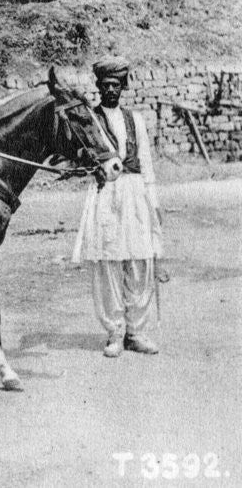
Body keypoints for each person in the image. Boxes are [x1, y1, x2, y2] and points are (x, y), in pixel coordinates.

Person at [72, 57, 166, 357]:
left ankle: (135, 331)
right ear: (99, 87)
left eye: (116, 85)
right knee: (109, 263)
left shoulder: (135, 119)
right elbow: (82, 158)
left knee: (139, 261)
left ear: (122, 87)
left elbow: (147, 163)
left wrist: (153, 202)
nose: (111, 90)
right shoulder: (90, 119)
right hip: (105, 195)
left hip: (135, 193)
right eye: (105, 85)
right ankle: (114, 332)